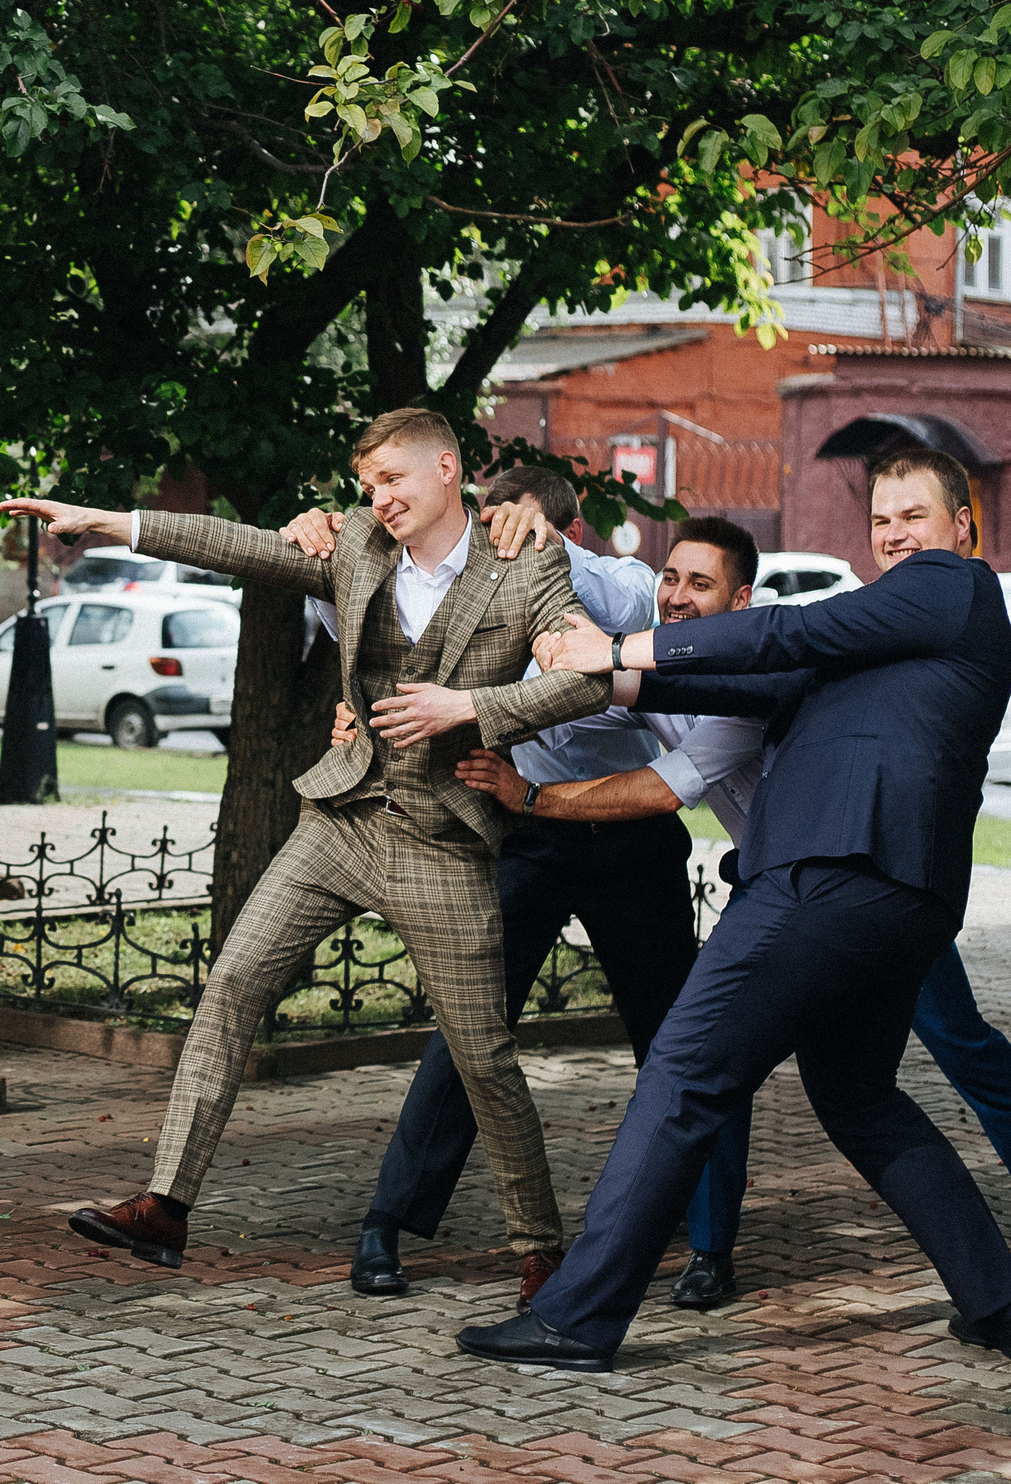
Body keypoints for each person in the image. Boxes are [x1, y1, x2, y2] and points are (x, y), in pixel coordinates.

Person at [0, 407, 611, 1308]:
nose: (379, 498)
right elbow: (237, 547)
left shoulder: (525, 561)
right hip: (341, 819)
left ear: (447, 469)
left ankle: (543, 1250)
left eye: (393, 479)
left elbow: (589, 677)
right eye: (368, 485)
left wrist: (471, 710)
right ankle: (166, 1206)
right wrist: (108, 522)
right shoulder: (356, 543)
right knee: (233, 982)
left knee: (483, 1057)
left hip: (441, 841)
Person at [460, 447, 1011, 1371]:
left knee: (683, 1068)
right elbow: (743, 676)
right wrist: (601, 665)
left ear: (962, 525)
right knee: (859, 1099)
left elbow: (785, 632)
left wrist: (614, 648)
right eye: (881, 520)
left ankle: (576, 1316)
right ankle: (1003, 1304)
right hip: (901, 897)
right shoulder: (884, 639)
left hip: (827, 870)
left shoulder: (956, 587)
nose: (895, 534)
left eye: (914, 515)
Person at [280, 478, 728, 1304]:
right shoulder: (468, 594)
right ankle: (389, 1220)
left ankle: (706, 1241)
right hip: (530, 836)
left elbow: (614, 600)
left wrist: (538, 541)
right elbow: (374, 630)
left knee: (676, 1041)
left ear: (570, 532)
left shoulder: (626, 588)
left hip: (631, 838)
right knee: (470, 1025)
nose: (497, 547)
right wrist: (324, 542)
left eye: (513, 531)